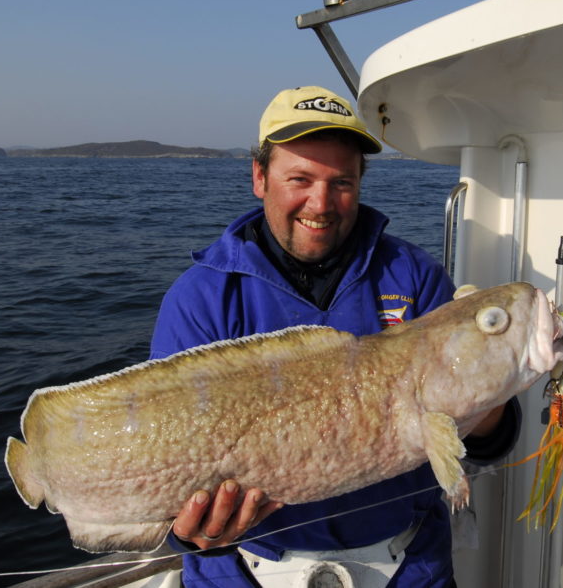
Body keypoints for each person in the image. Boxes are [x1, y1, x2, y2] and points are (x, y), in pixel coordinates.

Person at [149, 86, 522, 587]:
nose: (320, 203)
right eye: (299, 179)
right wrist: (188, 530)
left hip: (410, 565)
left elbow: (484, 440)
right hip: (243, 570)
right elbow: (166, 467)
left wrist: (489, 399)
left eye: (341, 182)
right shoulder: (201, 299)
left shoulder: (414, 277)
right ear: (260, 177)